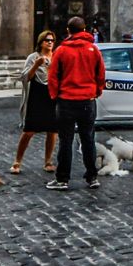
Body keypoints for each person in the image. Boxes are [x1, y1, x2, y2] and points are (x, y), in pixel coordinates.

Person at [47, 16, 105, 190]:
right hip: (87, 101)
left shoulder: (61, 51)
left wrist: (55, 96)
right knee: (88, 139)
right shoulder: (93, 50)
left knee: (66, 141)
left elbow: (53, 77)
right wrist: (96, 92)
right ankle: (92, 177)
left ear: (68, 31)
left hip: (66, 101)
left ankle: (62, 179)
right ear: (85, 29)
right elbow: (101, 75)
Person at [12, 30, 59, 175]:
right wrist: (36, 65)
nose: (50, 43)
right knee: (29, 130)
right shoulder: (33, 57)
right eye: (47, 40)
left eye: (51, 40)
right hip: (36, 94)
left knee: (52, 130)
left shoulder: (56, 57)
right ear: (41, 43)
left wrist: (51, 68)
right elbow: (26, 77)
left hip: (51, 94)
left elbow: (59, 76)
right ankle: (17, 161)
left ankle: (48, 161)